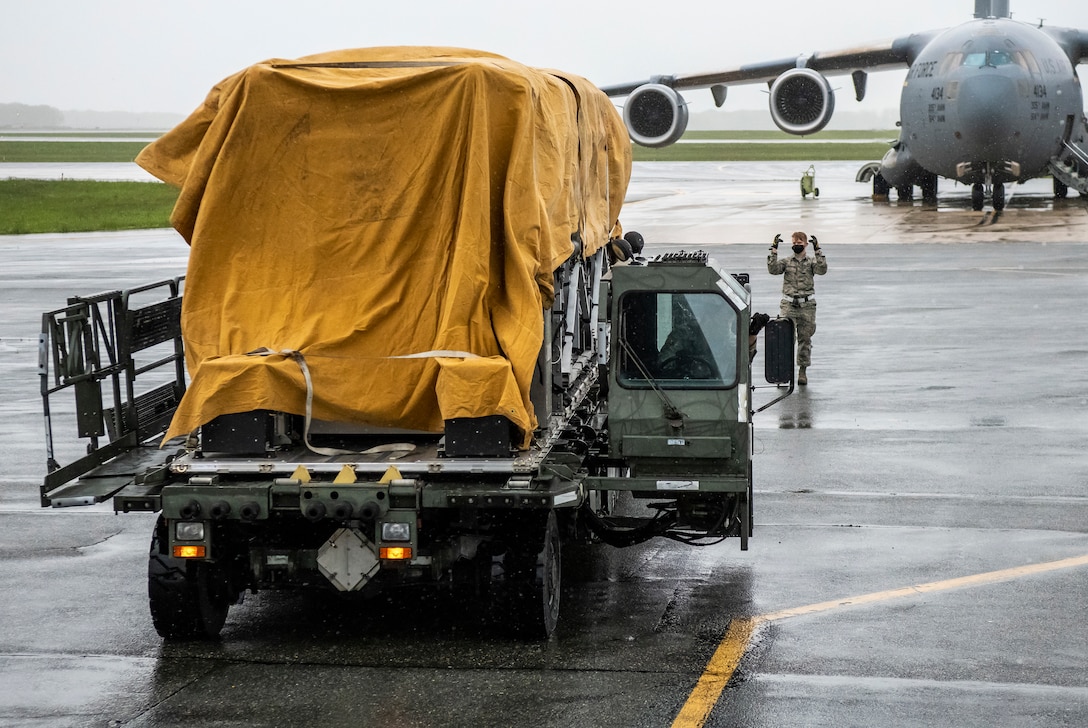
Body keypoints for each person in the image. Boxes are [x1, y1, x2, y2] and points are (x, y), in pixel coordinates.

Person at [767, 231, 827, 385]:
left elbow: (822, 270)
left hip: (807, 306)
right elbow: (773, 270)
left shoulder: (811, 262)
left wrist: (818, 251)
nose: (796, 246)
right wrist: (774, 250)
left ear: (806, 244)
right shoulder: (787, 262)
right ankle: (782, 373)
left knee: (805, 339)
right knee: (785, 339)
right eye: (794, 243)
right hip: (789, 304)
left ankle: (802, 371)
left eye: (799, 244)